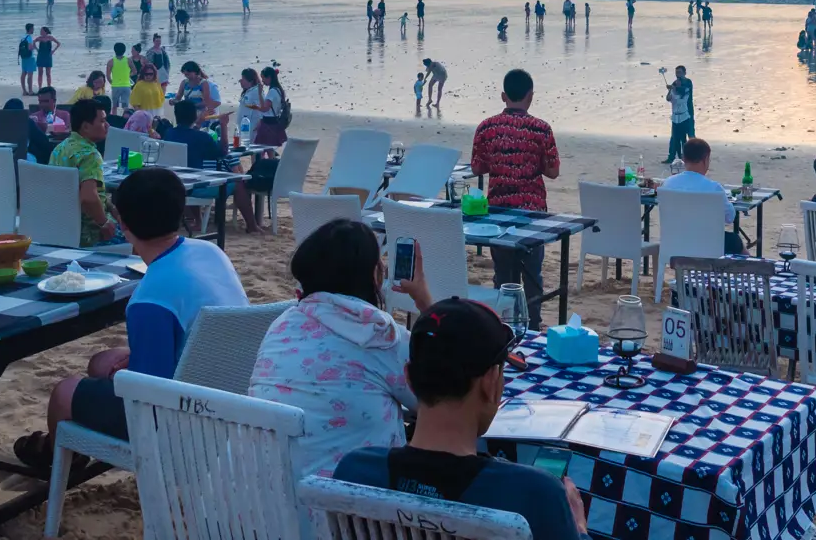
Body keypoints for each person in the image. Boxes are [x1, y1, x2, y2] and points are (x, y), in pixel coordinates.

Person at [16, 167, 246, 466]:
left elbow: (150, 391)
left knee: (64, 392)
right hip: (231, 390)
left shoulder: (151, 296)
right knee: (101, 362)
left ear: (122, 222)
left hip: (180, 419)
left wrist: (126, 374)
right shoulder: (210, 252)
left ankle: (57, 459)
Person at [333, 299, 590, 540]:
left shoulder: (356, 473)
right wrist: (579, 530)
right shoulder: (534, 495)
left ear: (409, 379)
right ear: (491, 383)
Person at [252, 218, 429, 477]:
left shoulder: (283, 324)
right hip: (340, 509)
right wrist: (423, 298)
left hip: (251, 501)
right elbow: (443, 402)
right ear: (373, 275)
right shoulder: (379, 335)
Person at [468, 69, 559, 324]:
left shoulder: (487, 127)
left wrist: (500, 162)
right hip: (532, 212)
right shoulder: (542, 129)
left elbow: (477, 168)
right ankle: (533, 324)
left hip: (498, 210)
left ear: (503, 96)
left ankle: (504, 323)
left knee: (503, 274)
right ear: (530, 96)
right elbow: (553, 171)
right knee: (532, 274)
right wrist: (532, 163)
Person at [48, 98, 118, 247]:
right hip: (89, 233)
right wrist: (104, 223)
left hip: (61, 227)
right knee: (141, 240)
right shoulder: (90, 155)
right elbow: (88, 197)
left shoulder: (60, 148)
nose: (107, 125)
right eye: (102, 121)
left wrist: (111, 207)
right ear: (86, 127)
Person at [659, 138, 744, 255]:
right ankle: (755, 271)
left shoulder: (667, 183)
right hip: (707, 245)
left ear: (683, 159)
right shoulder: (713, 188)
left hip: (675, 242)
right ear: (706, 159)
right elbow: (730, 217)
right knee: (734, 240)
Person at [664, 65, 694, 165]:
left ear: (685, 73)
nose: (678, 75)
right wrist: (671, 89)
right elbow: (669, 96)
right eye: (676, 73)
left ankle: (694, 156)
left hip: (688, 112)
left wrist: (673, 87)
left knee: (690, 135)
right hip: (677, 115)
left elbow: (684, 90)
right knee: (675, 137)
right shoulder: (675, 82)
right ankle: (672, 157)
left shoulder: (688, 82)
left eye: (680, 72)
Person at [106, 43, 134, 112]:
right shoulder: (128, 60)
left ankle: (114, 120)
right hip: (126, 85)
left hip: (116, 86)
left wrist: (111, 82)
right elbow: (135, 71)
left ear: (114, 50)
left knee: (114, 106)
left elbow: (108, 76)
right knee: (125, 106)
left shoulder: (111, 61)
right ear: (124, 51)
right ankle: (125, 120)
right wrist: (128, 76)